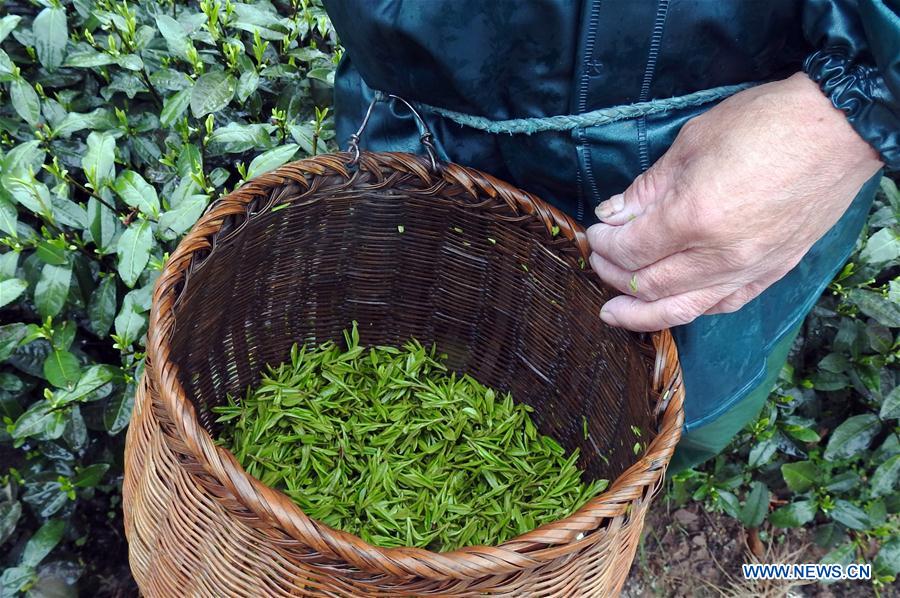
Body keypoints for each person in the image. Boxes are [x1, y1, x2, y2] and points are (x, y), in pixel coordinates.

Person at [321, 0, 899, 470]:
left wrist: (853, 117)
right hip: (416, 115)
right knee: (399, 338)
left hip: (728, 157)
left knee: (660, 412)